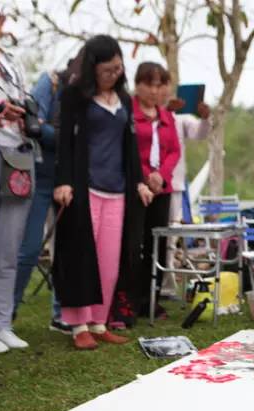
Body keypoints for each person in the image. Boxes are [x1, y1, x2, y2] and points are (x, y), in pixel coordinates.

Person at [53, 35, 154, 350]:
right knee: (81, 255)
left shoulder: (124, 100)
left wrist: (138, 181)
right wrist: (64, 181)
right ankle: (78, 324)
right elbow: (65, 143)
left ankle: (99, 321)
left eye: (118, 69)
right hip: (84, 188)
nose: (114, 74)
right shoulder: (74, 96)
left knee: (109, 260)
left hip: (117, 190)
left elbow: (130, 146)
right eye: (107, 70)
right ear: (92, 68)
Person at [12, 53, 83, 335]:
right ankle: (5, 315)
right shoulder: (50, 82)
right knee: (28, 250)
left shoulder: (88, 96)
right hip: (40, 177)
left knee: (66, 251)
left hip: (68, 179)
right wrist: (65, 135)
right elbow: (33, 126)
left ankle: (60, 313)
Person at [0, 3, 35, 354]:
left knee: (8, 243)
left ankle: (1, 323)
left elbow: (23, 98)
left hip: (17, 152)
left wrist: (21, 111)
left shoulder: (10, 61)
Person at [132, 62, 180, 318]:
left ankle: (151, 297)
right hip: (136, 188)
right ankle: (130, 297)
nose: (154, 90)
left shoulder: (166, 116)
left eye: (160, 84)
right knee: (134, 244)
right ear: (137, 84)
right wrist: (144, 177)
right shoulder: (128, 112)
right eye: (149, 84)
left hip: (162, 188)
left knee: (157, 244)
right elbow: (126, 149)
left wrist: (161, 175)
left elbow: (174, 151)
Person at [157, 72, 211, 297]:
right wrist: (164, 110)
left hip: (175, 184)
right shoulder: (150, 113)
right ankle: (147, 285)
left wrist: (206, 118)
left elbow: (200, 134)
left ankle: (167, 287)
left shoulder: (181, 117)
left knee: (171, 238)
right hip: (149, 183)